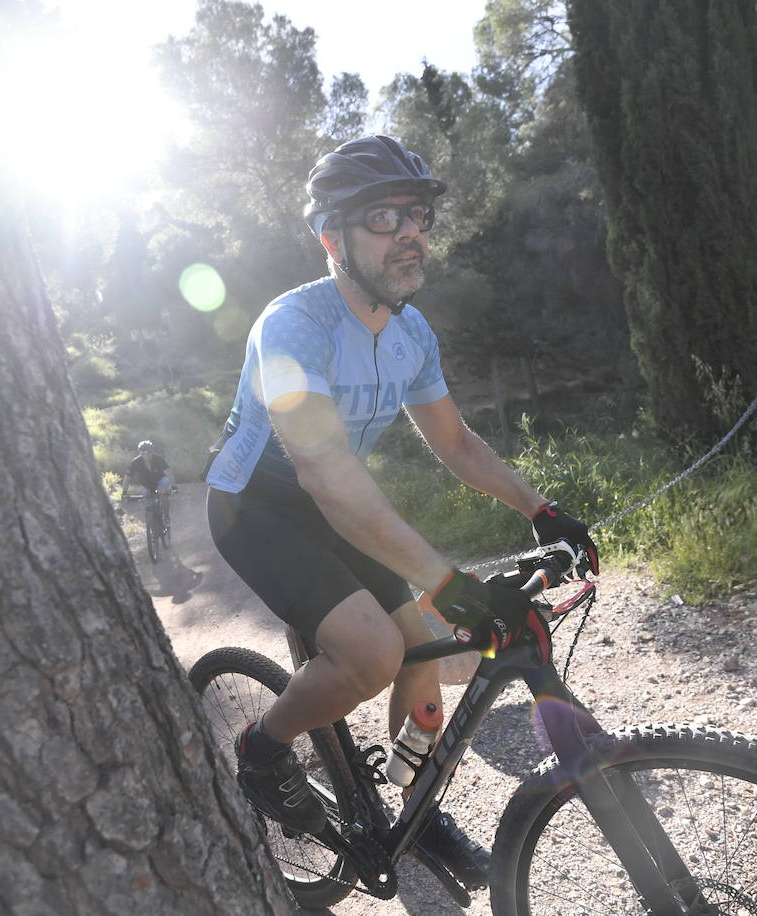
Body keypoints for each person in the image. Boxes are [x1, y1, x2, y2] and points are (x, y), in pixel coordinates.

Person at [204, 135, 597, 889]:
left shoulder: (413, 333)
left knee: (416, 647)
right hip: (255, 502)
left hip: (334, 500)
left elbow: (454, 440)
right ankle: (263, 746)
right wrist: (446, 581)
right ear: (332, 240)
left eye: (418, 215)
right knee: (374, 652)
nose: (410, 232)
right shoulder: (291, 327)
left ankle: (414, 805)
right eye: (383, 217)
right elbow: (323, 471)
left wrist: (541, 509)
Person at [126, 440, 172, 529]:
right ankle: (152, 526)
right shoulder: (135, 462)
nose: (146, 454)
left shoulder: (159, 460)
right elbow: (127, 477)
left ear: (152, 451)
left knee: (163, 494)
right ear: (140, 453)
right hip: (146, 485)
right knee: (147, 503)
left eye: (148, 452)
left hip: (161, 481)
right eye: (143, 452)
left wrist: (171, 487)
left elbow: (169, 474)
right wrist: (124, 492)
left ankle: (166, 517)